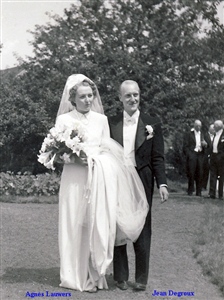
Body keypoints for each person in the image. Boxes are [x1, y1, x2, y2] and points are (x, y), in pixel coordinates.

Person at [55, 74, 149, 292]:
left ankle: (96, 275)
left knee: (96, 224)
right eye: (82, 96)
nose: (88, 100)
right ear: (72, 99)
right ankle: (73, 275)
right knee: (72, 224)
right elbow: (57, 156)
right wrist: (75, 158)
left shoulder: (101, 120)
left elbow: (109, 151)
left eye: (90, 96)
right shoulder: (64, 121)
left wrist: (95, 160)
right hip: (74, 181)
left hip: (98, 180)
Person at [108, 80, 169, 291]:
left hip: (142, 179)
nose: (133, 99)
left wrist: (162, 183)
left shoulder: (153, 123)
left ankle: (141, 278)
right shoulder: (111, 123)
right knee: (118, 224)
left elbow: (158, 157)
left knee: (143, 225)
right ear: (120, 98)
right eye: (128, 96)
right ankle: (120, 276)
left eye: (136, 95)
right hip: (117, 178)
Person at [183, 120, 207, 196]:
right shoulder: (189, 134)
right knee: (191, 172)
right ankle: (190, 190)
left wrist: (205, 145)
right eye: (197, 126)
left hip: (200, 155)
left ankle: (198, 191)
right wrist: (189, 154)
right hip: (192, 154)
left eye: (200, 126)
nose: (198, 127)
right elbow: (185, 146)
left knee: (200, 173)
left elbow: (207, 145)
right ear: (194, 125)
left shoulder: (203, 134)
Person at [208, 120, 224, 200]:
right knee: (213, 175)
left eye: (215, 125)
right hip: (213, 156)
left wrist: (220, 156)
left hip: (221, 159)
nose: (213, 127)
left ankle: (220, 194)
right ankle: (212, 193)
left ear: (219, 126)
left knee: (221, 176)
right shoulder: (215, 135)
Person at [202, 124, 215, 190]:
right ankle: (203, 186)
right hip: (205, 155)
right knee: (205, 171)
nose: (213, 130)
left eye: (214, 129)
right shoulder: (204, 135)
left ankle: (211, 187)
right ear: (209, 129)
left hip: (213, 156)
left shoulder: (216, 136)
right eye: (212, 129)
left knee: (212, 172)